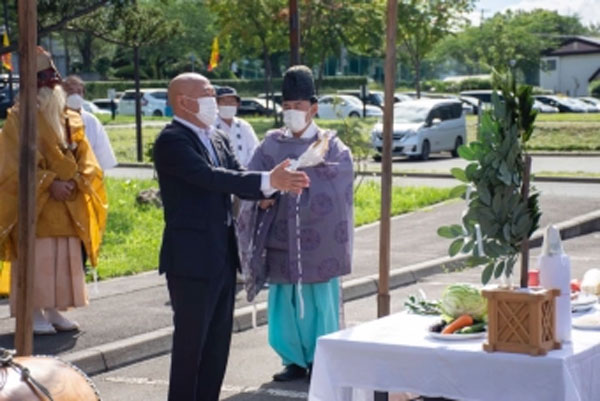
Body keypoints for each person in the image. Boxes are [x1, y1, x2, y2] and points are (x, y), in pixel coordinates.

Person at [152, 72, 310, 401]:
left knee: (217, 345)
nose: (214, 102)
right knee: (190, 346)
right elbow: (209, 177)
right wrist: (268, 180)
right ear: (183, 101)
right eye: (208, 95)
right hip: (191, 259)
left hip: (222, 254)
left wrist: (272, 186)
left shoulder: (216, 136)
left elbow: (237, 174)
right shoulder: (172, 140)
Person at [237, 65, 354, 382]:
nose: (291, 112)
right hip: (281, 235)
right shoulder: (270, 145)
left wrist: (302, 180)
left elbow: (340, 183)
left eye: (298, 107)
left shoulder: (332, 146)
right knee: (283, 300)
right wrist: (264, 194)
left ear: (313, 108)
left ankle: (322, 357)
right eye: (286, 107)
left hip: (320, 238)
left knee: (320, 300)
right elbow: (251, 181)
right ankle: (292, 360)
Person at [0, 47, 107, 335]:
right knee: (38, 258)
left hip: (68, 202)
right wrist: (50, 182)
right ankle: (32, 313)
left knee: (64, 258)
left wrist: (76, 180)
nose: (50, 90)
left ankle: (54, 310)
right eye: (44, 84)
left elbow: (86, 158)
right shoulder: (18, 118)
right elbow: (13, 164)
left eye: (52, 84)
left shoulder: (70, 118)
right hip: (37, 204)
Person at [62, 75, 118, 171]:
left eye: (79, 92)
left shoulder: (92, 121)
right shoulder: (53, 119)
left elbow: (102, 156)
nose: (75, 96)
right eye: (70, 91)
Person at [215, 86, 259, 167]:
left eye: (232, 102)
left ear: (237, 104)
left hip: (245, 173)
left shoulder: (244, 126)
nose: (228, 105)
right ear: (217, 104)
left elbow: (254, 149)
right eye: (224, 101)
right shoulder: (210, 126)